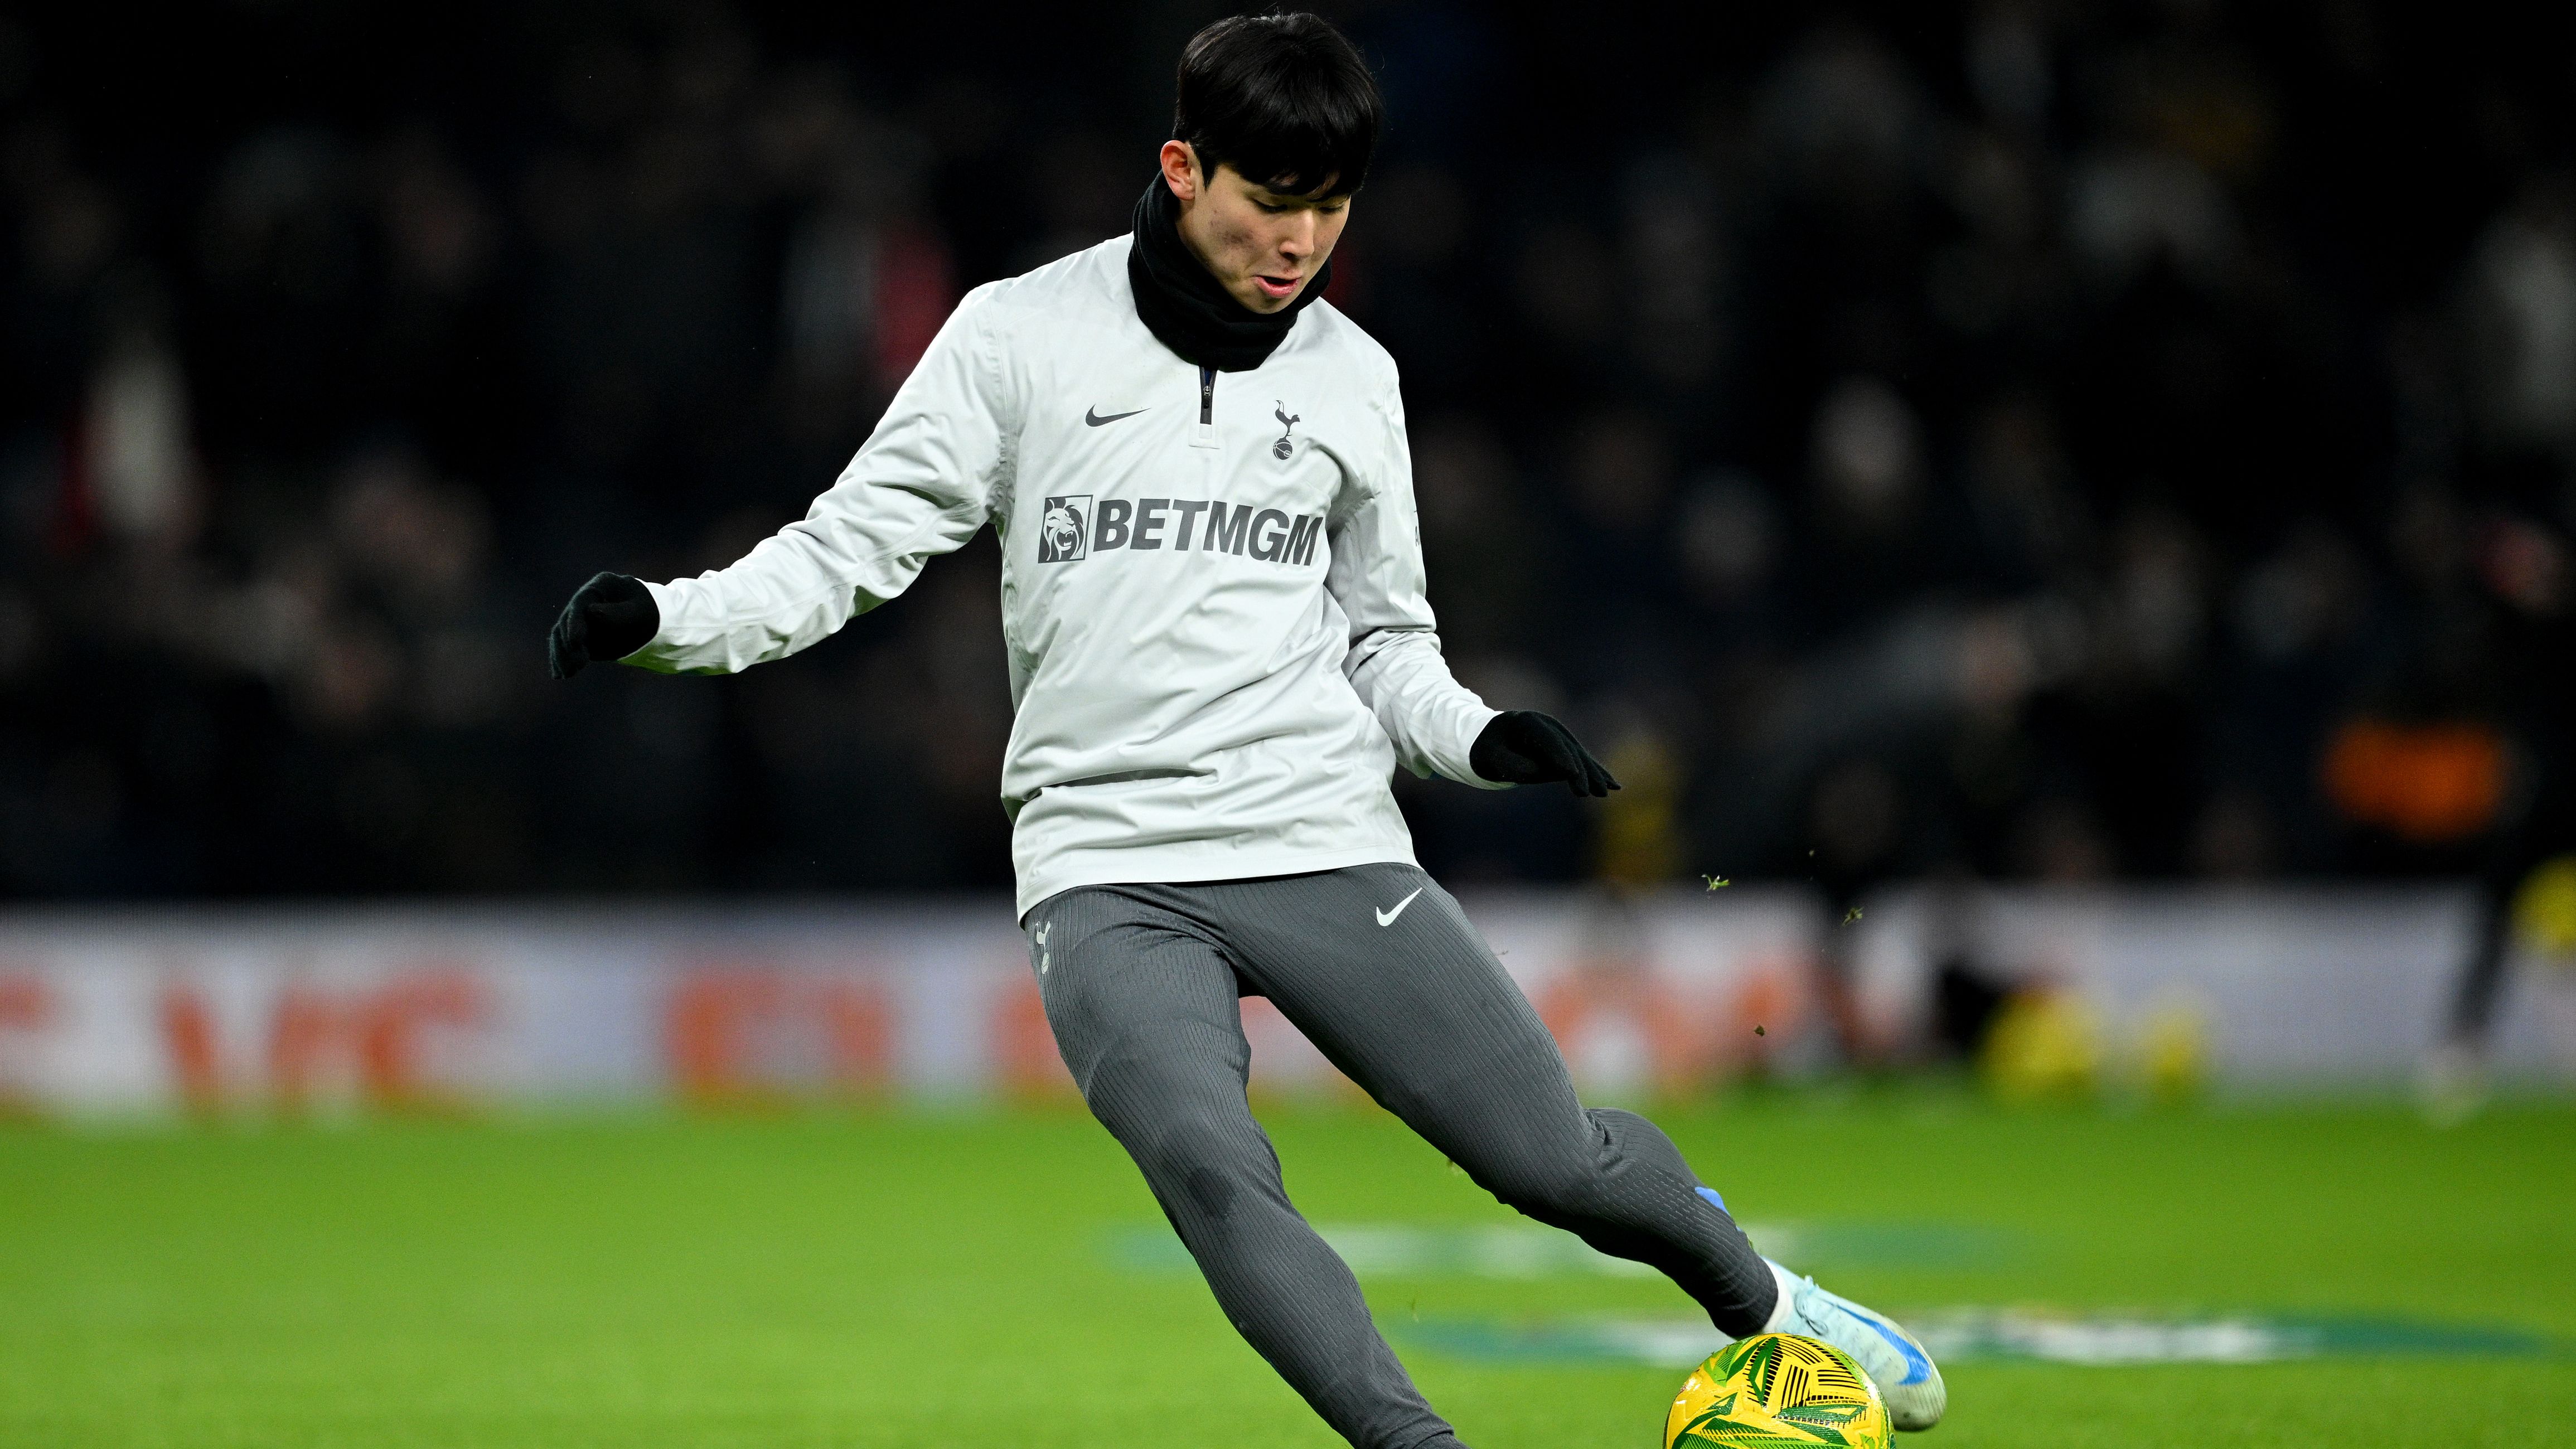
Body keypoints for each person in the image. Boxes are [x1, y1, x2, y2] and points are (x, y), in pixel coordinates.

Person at [545, 14, 1944, 1445]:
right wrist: (669, 618)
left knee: (1555, 1161)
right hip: (1107, 864)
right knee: (1213, 1170)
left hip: (1321, 834)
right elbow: (846, 548)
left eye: (1331, 208)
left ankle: (1772, 1301)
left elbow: (1387, 642)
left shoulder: (1354, 376)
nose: (1301, 242)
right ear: (1182, 168)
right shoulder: (1019, 336)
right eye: (1273, 201)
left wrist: (1476, 737)